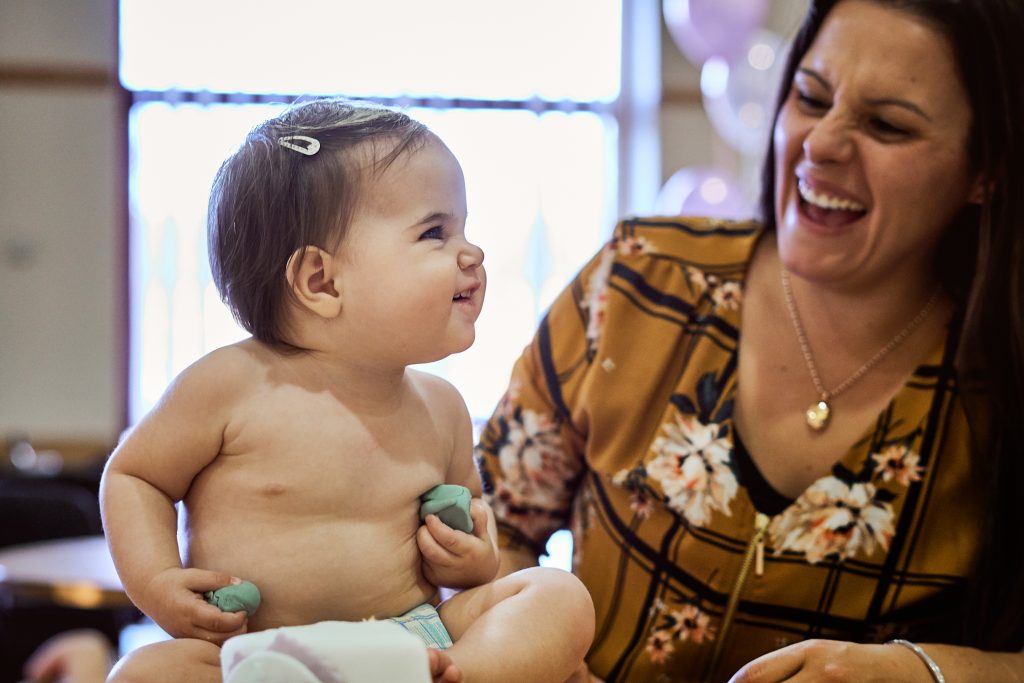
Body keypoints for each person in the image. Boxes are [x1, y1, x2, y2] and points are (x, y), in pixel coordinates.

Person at [475, 0, 1024, 680]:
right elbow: (486, 526)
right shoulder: (641, 278)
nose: (820, 143)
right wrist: (530, 658)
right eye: (810, 97)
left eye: (886, 125)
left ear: (986, 170)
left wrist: (929, 671)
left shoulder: (999, 380)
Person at [99, 98, 594, 683]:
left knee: (556, 595)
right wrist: (157, 582)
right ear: (322, 281)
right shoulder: (228, 386)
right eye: (435, 232)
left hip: (412, 642)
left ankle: (460, 674)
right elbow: (135, 477)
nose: (473, 253)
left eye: (464, 228)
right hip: (260, 653)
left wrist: (473, 559)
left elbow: (470, 526)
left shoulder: (442, 406)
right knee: (142, 673)